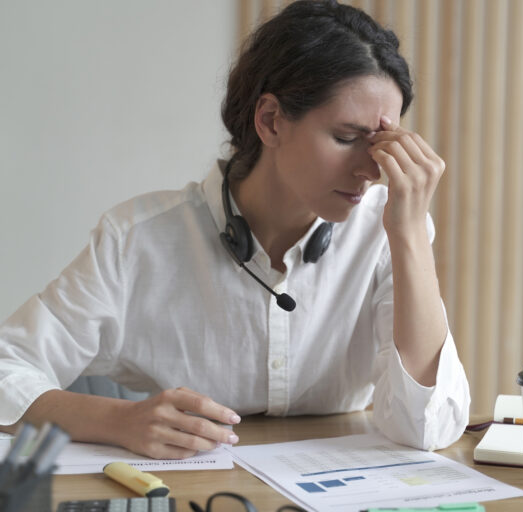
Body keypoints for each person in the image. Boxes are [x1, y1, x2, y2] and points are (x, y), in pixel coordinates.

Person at [0, 0, 470, 459]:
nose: (371, 171)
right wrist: (118, 420)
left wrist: (409, 234)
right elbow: (7, 371)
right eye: (347, 138)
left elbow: (426, 426)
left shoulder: (388, 230)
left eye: (383, 144)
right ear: (270, 121)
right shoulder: (137, 240)